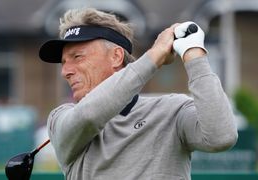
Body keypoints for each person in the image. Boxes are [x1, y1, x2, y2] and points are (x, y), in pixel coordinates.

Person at [38, 8, 238, 180]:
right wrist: (154, 56)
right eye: (64, 62)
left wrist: (194, 54)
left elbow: (221, 137)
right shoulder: (60, 118)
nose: (65, 71)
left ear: (116, 57)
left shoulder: (173, 111)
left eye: (77, 57)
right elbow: (89, 115)